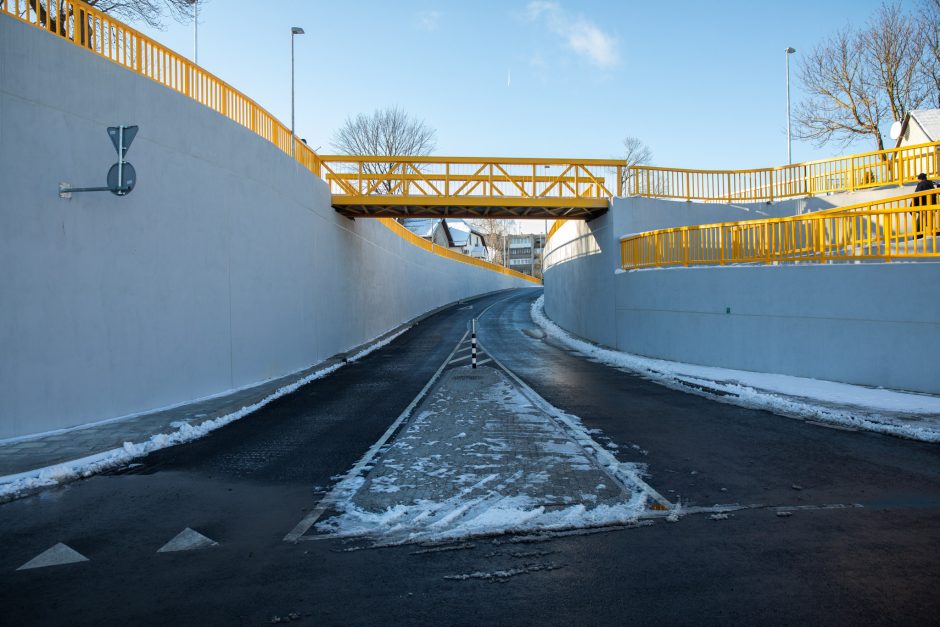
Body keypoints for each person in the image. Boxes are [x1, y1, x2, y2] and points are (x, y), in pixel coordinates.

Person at [911, 173, 936, 238]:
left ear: (920, 179)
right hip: (931, 207)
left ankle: (916, 240)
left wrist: (911, 207)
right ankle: (936, 233)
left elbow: (916, 195)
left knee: (919, 226)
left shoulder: (921, 184)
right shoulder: (931, 184)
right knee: (928, 223)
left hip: (923, 208)